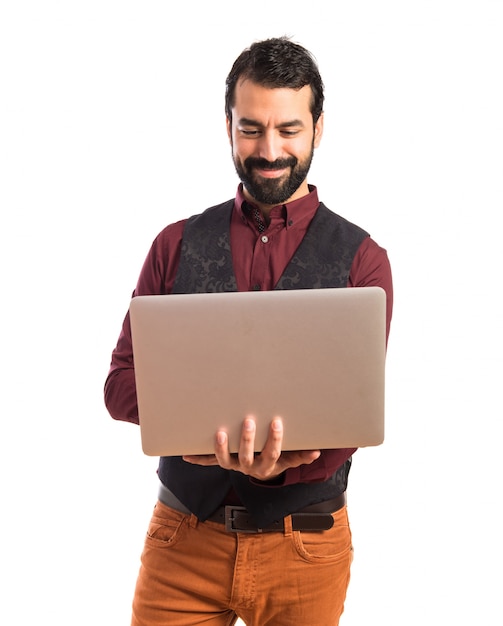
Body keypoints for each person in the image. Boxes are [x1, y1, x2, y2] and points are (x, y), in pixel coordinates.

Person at [104, 36, 393, 626]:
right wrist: (190, 428)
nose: (270, 150)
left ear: (318, 128)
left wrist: (281, 465)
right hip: (182, 539)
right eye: (251, 128)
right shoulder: (174, 244)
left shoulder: (364, 261)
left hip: (306, 546)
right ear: (228, 125)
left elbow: (353, 415)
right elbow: (119, 385)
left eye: (289, 129)